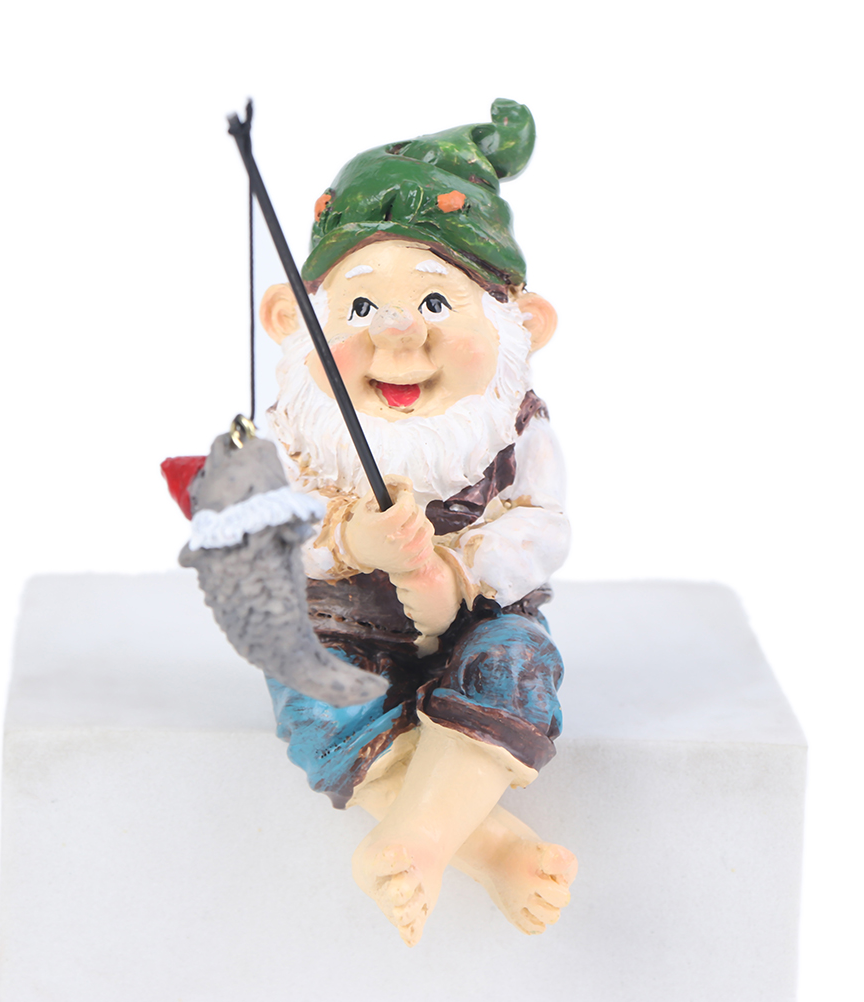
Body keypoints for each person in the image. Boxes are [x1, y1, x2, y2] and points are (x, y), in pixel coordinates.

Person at [259, 99, 577, 947]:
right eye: (361, 310)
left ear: (524, 326)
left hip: (475, 620)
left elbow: (543, 525)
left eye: (437, 302)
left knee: (517, 664)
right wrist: (351, 540)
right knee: (320, 697)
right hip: (338, 629)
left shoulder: (516, 428)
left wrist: (458, 575)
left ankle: (415, 839)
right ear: (290, 322)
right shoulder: (293, 433)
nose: (400, 338)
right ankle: (474, 846)